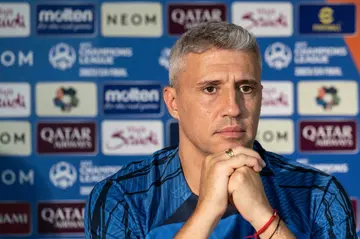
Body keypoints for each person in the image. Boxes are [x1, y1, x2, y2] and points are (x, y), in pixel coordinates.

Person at [84, 21, 357, 239]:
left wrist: (264, 217)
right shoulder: (123, 196)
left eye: (245, 88)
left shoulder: (318, 193)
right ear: (174, 103)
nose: (233, 108)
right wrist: (207, 212)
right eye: (210, 89)